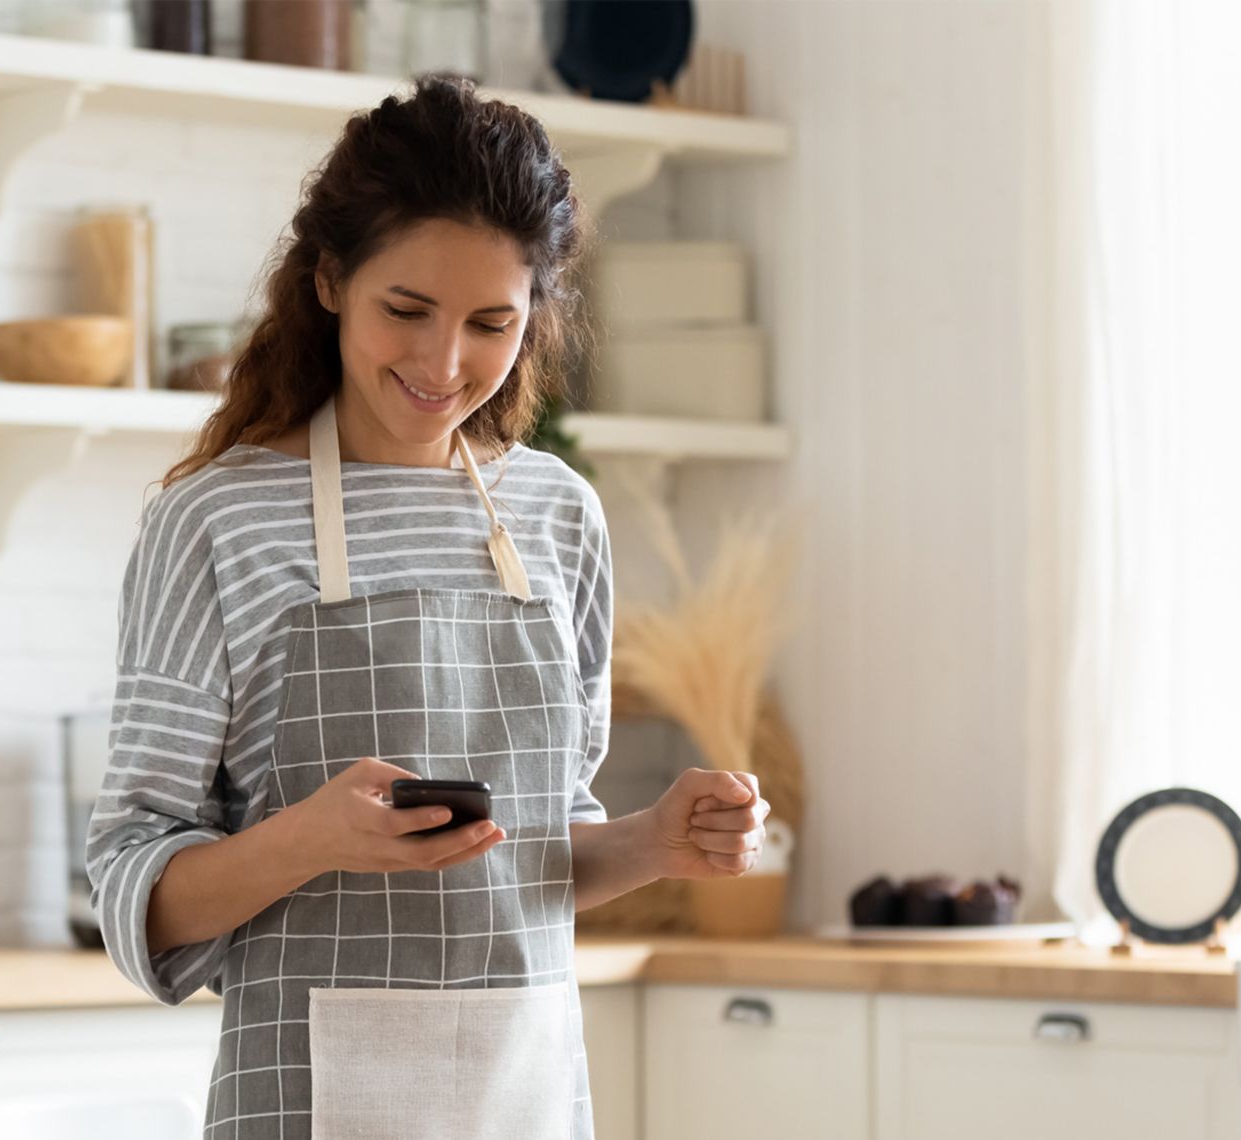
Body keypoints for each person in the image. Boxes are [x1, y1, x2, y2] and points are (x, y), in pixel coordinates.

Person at [87, 75, 772, 1140]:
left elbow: (531, 859)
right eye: (405, 310)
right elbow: (135, 885)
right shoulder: (217, 522)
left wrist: (653, 842)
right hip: (308, 1104)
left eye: (490, 322)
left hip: (524, 1100)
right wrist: (308, 838)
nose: (442, 365)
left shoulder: (556, 514)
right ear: (328, 280)